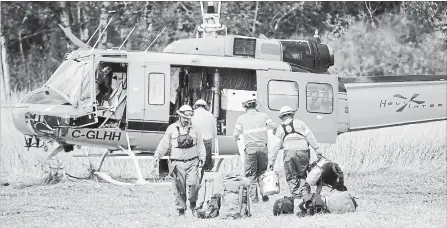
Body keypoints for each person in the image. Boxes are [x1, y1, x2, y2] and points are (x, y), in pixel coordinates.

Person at [152, 105, 206, 216]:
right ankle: (181, 210)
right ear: (180, 116)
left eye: (189, 118)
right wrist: (157, 157)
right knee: (178, 187)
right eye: (185, 117)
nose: (187, 120)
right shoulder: (171, 129)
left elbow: (200, 145)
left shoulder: (196, 129)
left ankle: (192, 205)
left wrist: (202, 158)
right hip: (177, 163)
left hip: (192, 162)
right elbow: (164, 144)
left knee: (194, 184)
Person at [269, 106, 323, 199]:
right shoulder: (301, 123)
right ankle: (306, 196)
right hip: (303, 152)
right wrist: (317, 150)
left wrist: (271, 162)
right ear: (292, 115)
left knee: (291, 177)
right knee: (303, 175)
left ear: (281, 117)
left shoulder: (280, 128)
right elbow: (310, 137)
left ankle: (296, 198)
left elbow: (275, 146)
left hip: (289, 153)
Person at [233, 98, 277, 203]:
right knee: (262, 172)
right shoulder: (264, 116)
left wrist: (238, 139)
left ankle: (254, 199)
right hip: (263, 148)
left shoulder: (241, 118)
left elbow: (235, 134)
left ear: (245, 107)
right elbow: (274, 126)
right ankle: (264, 194)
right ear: (255, 106)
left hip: (250, 149)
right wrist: (273, 133)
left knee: (251, 174)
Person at [191, 99, 217, 181]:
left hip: (194, 142)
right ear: (205, 106)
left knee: (193, 163)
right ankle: (203, 182)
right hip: (206, 143)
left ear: (196, 106)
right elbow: (214, 134)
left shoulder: (192, 115)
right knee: (205, 165)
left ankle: (193, 181)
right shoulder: (210, 115)